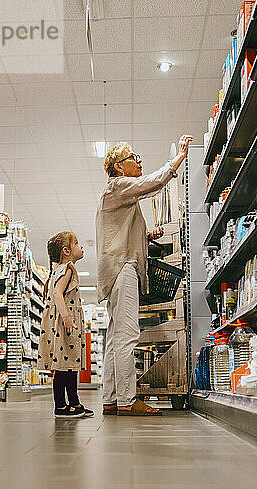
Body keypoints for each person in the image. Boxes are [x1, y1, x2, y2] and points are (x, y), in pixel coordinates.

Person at [96, 135, 193, 416]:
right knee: (128, 334)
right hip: (122, 266)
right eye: (133, 158)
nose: (139, 162)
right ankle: (127, 401)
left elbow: (121, 233)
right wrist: (179, 157)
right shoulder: (118, 186)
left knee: (115, 337)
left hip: (114, 267)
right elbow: (153, 183)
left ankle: (111, 399)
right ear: (118, 167)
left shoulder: (118, 195)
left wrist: (147, 236)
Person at [37, 232, 94, 418]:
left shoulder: (59, 270)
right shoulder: (67, 268)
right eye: (77, 243)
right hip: (64, 323)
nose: (81, 246)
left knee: (70, 363)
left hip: (61, 321)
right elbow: (57, 294)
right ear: (67, 251)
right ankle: (60, 406)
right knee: (63, 365)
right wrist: (67, 318)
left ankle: (74, 402)